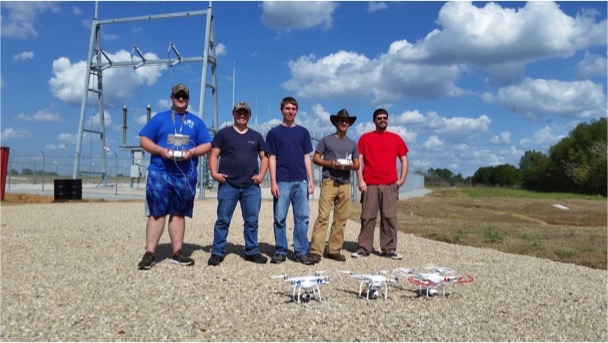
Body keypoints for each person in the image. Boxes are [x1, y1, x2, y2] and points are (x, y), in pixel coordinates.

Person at [137, 83, 212, 270]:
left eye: (184, 96)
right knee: (157, 213)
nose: (180, 99)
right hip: (160, 172)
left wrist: (192, 152)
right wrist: (161, 151)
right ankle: (150, 252)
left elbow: (207, 145)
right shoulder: (159, 119)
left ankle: (177, 251)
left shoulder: (196, 122)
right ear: (171, 98)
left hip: (185, 175)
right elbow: (144, 140)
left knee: (178, 213)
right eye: (177, 96)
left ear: (187, 100)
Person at [207, 102, 269, 266]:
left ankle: (252, 251)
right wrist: (214, 173)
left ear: (249, 116)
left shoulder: (256, 137)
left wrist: (261, 174)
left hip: (251, 186)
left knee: (252, 221)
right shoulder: (223, 134)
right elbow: (214, 155)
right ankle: (217, 252)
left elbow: (265, 157)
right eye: (239, 112)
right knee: (223, 220)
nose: (242, 115)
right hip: (229, 185)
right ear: (233, 114)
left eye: (245, 113)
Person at [264, 96, 316, 265]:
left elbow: (306, 157)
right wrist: (273, 181)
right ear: (281, 110)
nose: (290, 112)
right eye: (287, 108)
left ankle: (301, 251)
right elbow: (272, 158)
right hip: (283, 181)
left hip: (300, 181)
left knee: (302, 217)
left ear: (296, 111)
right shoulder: (274, 133)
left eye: (293, 109)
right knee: (279, 217)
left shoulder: (303, 132)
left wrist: (311, 180)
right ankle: (280, 250)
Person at [352, 108, 408, 260]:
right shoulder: (365, 138)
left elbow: (403, 158)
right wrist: (360, 180)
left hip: (389, 184)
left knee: (389, 217)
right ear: (374, 121)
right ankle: (364, 248)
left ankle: (389, 249)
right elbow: (359, 159)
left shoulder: (395, 138)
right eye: (379, 118)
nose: (382, 120)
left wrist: (401, 180)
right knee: (367, 217)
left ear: (388, 120)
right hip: (370, 184)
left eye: (385, 118)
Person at [309, 109, 360, 263]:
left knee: (341, 218)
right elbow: (316, 159)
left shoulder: (352, 144)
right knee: (323, 216)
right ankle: (316, 251)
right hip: (329, 181)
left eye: (346, 121)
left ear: (349, 124)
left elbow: (357, 164)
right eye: (341, 120)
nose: (344, 123)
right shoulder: (326, 140)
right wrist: (330, 164)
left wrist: (348, 166)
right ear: (336, 123)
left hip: (345, 184)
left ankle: (333, 250)